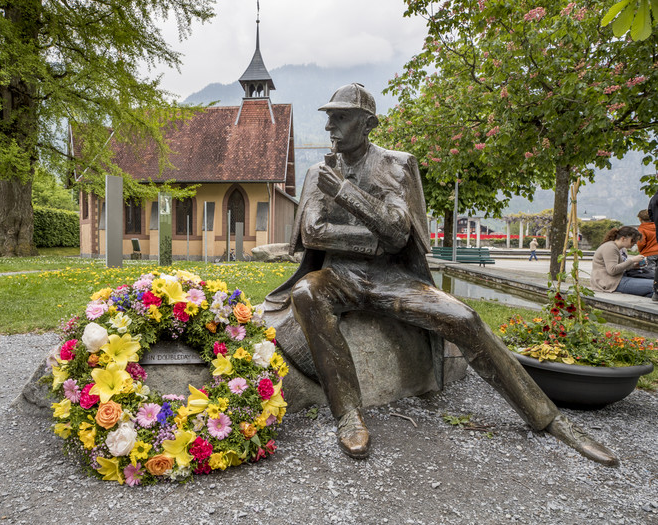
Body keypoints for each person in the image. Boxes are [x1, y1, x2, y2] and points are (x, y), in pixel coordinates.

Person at [264, 83, 618, 467]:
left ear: (368, 124)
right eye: (328, 117)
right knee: (306, 293)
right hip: (340, 276)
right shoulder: (320, 171)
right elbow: (313, 233)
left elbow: (399, 232)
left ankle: (547, 418)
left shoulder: (396, 165)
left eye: (341, 117)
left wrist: (348, 195)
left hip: (392, 279)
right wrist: (373, 239)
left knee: (464, 318)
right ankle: (348, 413)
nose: (330, 126)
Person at [591, 226, 652, 297]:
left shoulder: (620, 249)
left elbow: (619, 267)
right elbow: (612, 270)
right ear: (623, 238)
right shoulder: (610, 247)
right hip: (610, 283)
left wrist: (634, 266)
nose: (634, 243)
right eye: (633, 240)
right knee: (654, 286)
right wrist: (632, 260)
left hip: (617, 280)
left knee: (653, 292)